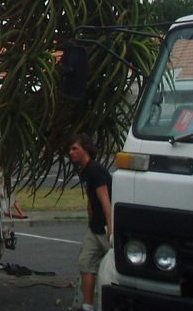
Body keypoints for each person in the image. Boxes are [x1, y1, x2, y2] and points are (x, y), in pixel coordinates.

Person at [69, 133, 112, 311]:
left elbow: (105, 200)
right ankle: (87, 305)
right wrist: (90, 218)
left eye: (74, 149)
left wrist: (111, 227)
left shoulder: (95, 170)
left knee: (112, 267)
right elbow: (91, 200)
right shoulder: (85, 170)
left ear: (85, 150)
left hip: (104, 228)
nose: (70, 152)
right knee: (86, 263)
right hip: (94, 228)